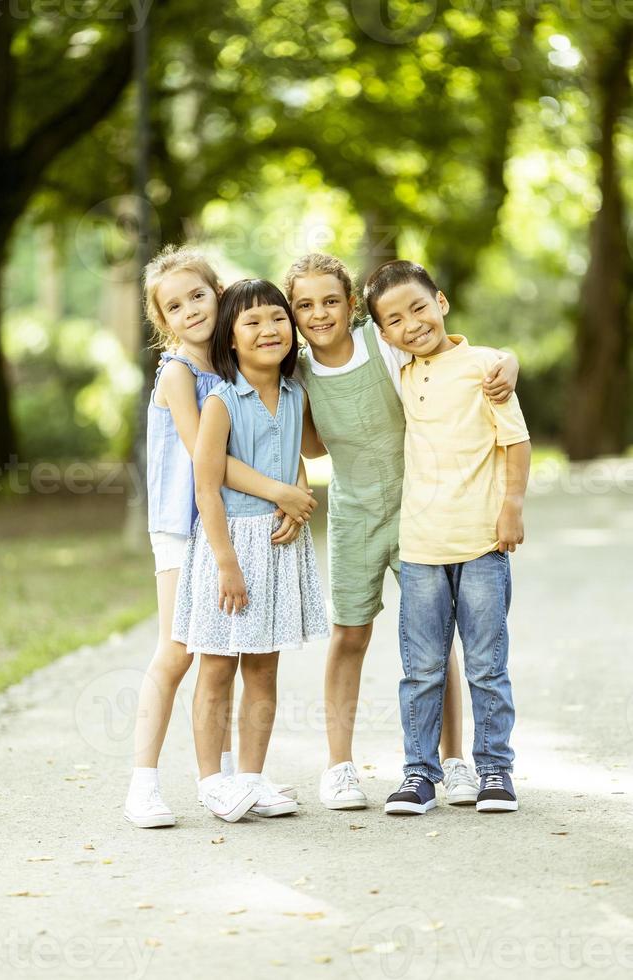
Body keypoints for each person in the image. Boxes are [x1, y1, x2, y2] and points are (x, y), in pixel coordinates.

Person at [284, 252, 520, 810]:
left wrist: (508, 360)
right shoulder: (297, 371)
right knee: (350, 634)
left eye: (331, 301)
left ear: (353, 307)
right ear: (292, 313)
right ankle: (339, 766)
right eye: (305, 305)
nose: (320, 314)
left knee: (438, 642)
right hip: (355, 515)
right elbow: (311, 444)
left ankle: (455, 759)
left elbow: (450, 352)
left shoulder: (382, 342)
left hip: (422, 509)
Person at [124, 247, 316, 829]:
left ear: (219, 293)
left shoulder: (241, 369)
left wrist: (288, 490)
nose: (190, 310)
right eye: (174, 306)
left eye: (198, 295)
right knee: (182, 651)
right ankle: (144, 784)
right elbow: (205, 460)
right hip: (184, 527)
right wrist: (284, 492)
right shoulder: (181, 373)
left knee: (240, 647)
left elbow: (283, 439)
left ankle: (236, 780)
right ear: (163, 321)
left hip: (232, 523)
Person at [365, 259, 530, 815]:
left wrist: (512, 508)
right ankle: (418, 775)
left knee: (486, 665)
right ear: (384, 335)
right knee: (422, 669)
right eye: (394, 319)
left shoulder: (485, 367)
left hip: (483, 542)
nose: (411, 323)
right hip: (420, 549)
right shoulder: (402, 373)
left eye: (418, 306)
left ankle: (495, 771)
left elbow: (516, 441)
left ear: (442, 301)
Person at [172, 279, 329, 823]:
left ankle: (253, 778)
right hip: (230, 548)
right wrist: (226, 563)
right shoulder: (220, 400)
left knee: (263, 668)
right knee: (216, 666)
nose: (269, 330)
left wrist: (296, 500)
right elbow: (206, 486)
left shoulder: (295, 395)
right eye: (252, 322)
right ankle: (211, 782)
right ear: (231, 339)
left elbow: (295, 460)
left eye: (278, 318)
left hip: (279, 545)